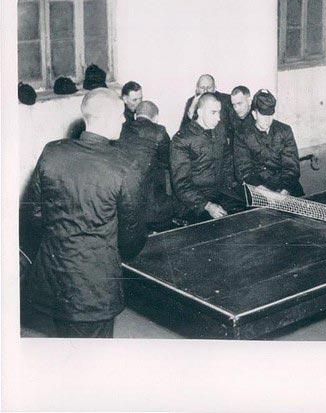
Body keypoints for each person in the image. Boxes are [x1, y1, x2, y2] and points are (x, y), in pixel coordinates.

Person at [25, 88, 147, 338]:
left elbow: (35, 214)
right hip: (95, 287)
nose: (124, 120)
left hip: (53, 277)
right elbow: (132, 236)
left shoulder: (52, 152)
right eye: (120, 115)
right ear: (107, 118)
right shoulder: (125, 166)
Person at [170, 93, 243, 222]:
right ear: (200, 112)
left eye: (219, 112)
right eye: (213, 113)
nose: (218, 118)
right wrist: (207, 206)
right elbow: (181, 184)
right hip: (194, 202)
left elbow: (227, 162)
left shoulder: (220, 130)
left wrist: (235, 187)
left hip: (220, 193)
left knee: (244, 213)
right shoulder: (181, 139)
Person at [234, 89, 304, 196]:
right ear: (254, 114)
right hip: (257, 188)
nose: (267, 120)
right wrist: (265, 193)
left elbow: (291, 167)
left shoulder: (284, 131)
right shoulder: (242, 134)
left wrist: (285, 190)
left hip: (284, 186)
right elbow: (244, 171)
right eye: (263, 116)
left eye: (270, 115)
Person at [117, 100, 174, 230]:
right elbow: (167, 161)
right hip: (152, 202)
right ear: (156, 117)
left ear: (136, 115)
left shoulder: (121, 129)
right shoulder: (159, 132)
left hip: (123, 198)